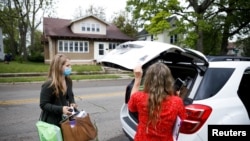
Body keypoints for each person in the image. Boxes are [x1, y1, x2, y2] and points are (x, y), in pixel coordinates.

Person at [128, 62, 187, 141]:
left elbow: (131, 107)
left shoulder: (138, 97)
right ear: (169, 80)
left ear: (148, 79)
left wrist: (138, 79)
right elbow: (182, 121)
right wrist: (176, 97)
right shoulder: (177, 102)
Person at [39, 54, 77, 127]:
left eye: (70, 65)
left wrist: (72, 102)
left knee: (73, 134)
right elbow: (43, 105)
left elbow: (70, 95)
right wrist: (61, 109)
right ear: (58, 67)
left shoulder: (68, 81)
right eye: (67, 66)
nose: (70, 68)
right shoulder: (49, 84)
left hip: (68, 118)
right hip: (53, 123)